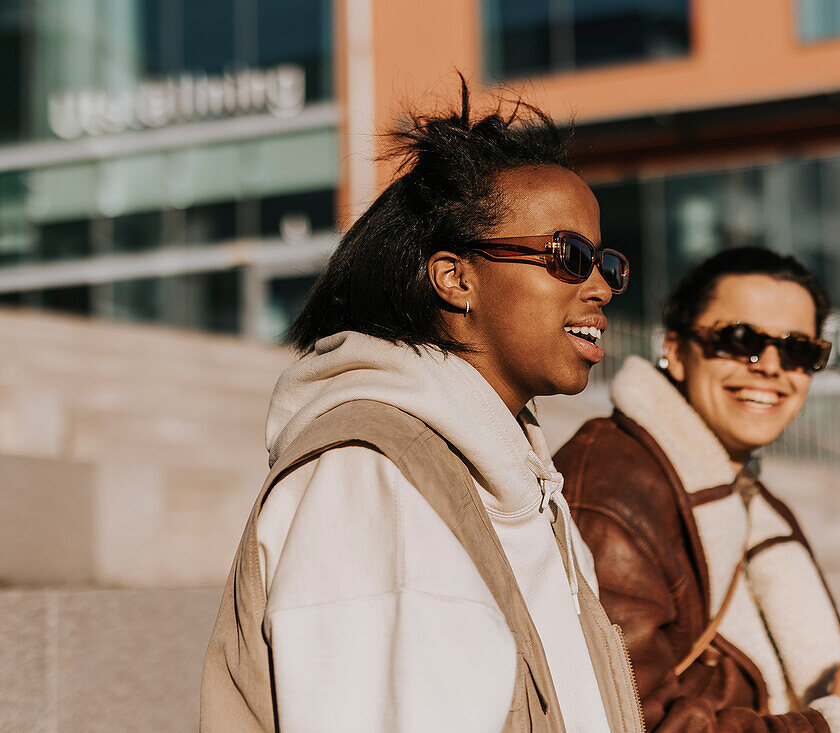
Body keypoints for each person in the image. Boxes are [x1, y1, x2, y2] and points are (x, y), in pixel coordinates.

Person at [200, 83, 643, 733]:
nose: (600, 285)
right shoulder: (371, 479)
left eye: (605, 260)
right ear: (455, 277)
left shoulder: (519, 477)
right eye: (567, 256)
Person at [555, 247, 840, 733]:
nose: (770, 366)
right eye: (740, 339)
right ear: (676, 352)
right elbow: (632, 721)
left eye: (798, 349)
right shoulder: (612, 491)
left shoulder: (750, 499)